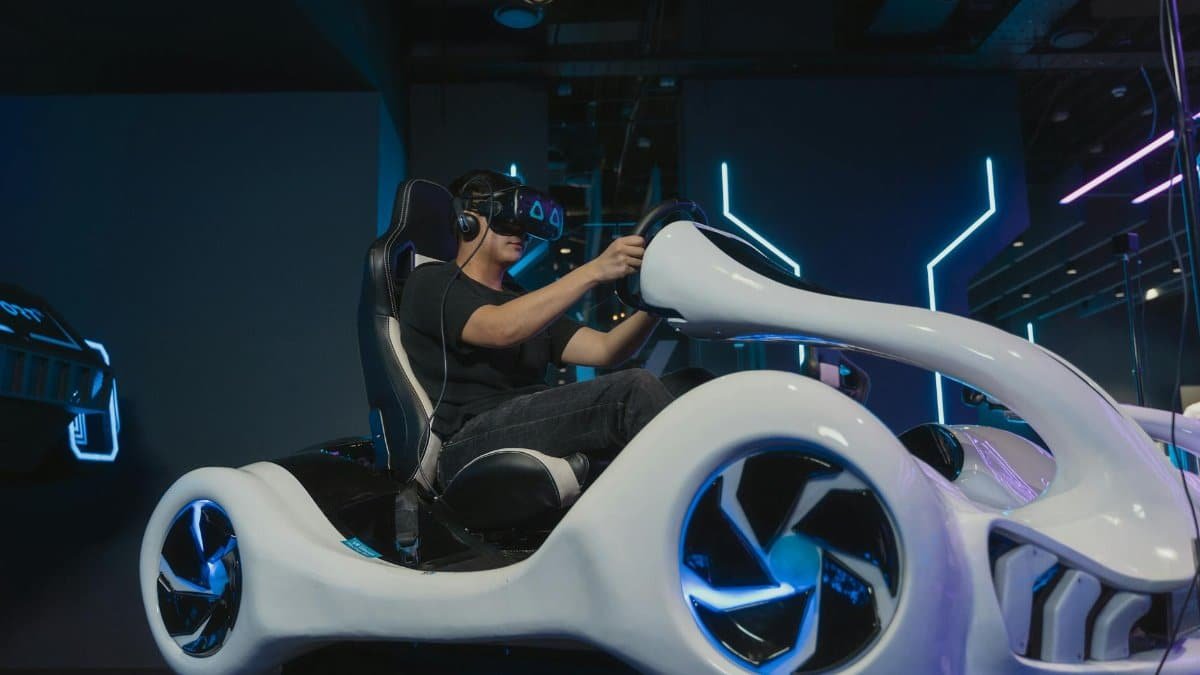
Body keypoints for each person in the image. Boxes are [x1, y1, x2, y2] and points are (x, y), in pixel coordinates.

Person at [398, 169, 710, 486]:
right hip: (469, 441)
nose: (519, 231)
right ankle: (704, 506)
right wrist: (595, 270)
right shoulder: (433, 281)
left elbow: (607, 349)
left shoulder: (521, 300)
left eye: (523, 223)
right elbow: (500, 328)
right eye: (506, 220)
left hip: (531, 419)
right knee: (632, 390)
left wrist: (657, 300)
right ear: (468, 221)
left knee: (693, 385)